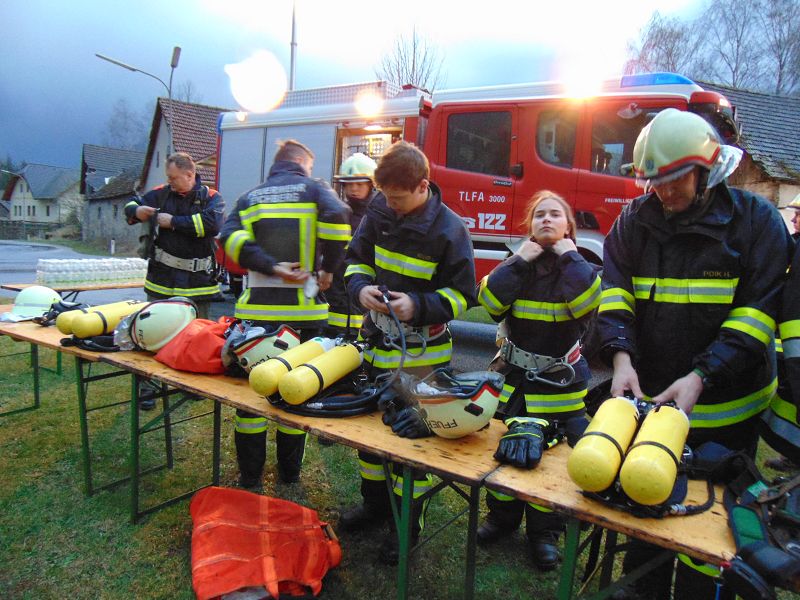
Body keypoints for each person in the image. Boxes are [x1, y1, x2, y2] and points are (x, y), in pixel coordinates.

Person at [597, 108, 793, 599]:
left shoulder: (756, 223)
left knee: (708, 518)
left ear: (708, 169)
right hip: (656, 401)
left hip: (726, 412)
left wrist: (702, 376)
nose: (663, 192)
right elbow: (615, 295)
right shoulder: (633, 222)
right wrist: (621, 358)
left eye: (675, 179)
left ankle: (698, 590)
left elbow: (755, 317)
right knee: (647, 492)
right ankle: (643, 585)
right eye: (654, 181)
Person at [340, 141, 476, 564]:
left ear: (422, 186)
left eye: (398, 198)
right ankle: (375, 506)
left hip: (422, 354)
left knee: (409, 446)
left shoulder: (450, 229)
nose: (391, 206)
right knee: (368, 438)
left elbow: (462, 296)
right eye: (385, 197)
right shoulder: (379, 212)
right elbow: (355, 261)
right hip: (376, 347)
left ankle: (405, 527)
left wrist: (417, 306)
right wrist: (360, 289)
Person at [476, 190, 601, 570]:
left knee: (553, 461)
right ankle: (502, 518)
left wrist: (567, 253)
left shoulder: (579, 266)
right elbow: (491, 302)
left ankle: (544, 533)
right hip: (514, 379)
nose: (546, 219)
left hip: (561, 383)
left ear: (568, 227)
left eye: (555, 215)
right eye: (539, 215)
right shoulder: (518, 263)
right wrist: (520, 258)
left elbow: (587, 304)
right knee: (506, 446)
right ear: (529, 227)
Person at [220, 139, 350, 488]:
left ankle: (250, 477)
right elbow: (339, 218)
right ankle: (290, 476)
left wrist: (271, 266)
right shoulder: (313, 190)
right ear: (301, 163)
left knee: (251, 399)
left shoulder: (250, 197)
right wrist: (328, 270)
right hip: (303, 315)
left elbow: (228, 237)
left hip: (257, 313)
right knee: (296, 392)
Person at [124, 152, 224, 409]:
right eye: (168, 178)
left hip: (198, 281)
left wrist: (173, 222)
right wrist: (139, 210)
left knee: (197, 335)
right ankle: (147, 388)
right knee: (150, 332)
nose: (170, 182)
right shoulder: (161, 193)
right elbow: (130, 207)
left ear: (190, 175)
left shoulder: (211, 197)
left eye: (174, 178)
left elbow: (212, 225)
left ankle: (188, 384)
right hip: (162, 278)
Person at [323, 152, 378, 337]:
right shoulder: (337, 214)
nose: (353, 189)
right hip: (335, 297)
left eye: (359, 184)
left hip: (364, 299)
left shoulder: (378, 217)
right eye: (348, 184)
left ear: (371, 184)